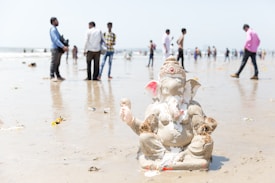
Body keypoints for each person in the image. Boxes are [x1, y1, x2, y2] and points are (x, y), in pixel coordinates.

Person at [49, 17, 68, 81]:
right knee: (54, 62)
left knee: (57, 63)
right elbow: (55, 40)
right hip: (55, 48)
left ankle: (58, 75)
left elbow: (60, 38)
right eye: (57, 21)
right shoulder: (53, 29)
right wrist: (63, 46)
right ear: (53, 21)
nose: (58, 22)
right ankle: (51, 76)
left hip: (58, 48)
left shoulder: (56, 29)